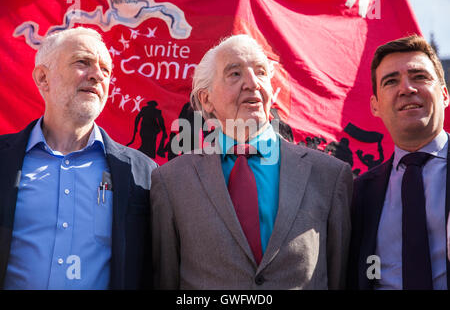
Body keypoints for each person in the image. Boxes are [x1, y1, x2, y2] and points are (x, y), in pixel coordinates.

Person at [150, 34, 353, 289]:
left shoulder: (329, 176)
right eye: (235, 74)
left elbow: (341, 279)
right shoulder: (171, 181)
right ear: (206, 100)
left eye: (261, 72)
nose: (252, 83)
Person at [0, 27, 157, 289]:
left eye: (106, 70)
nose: (97, 75)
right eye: (82, 62)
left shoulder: (141, 173)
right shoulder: (4, 160)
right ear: (43, 78)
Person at [348, 35, 450, 290]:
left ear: (445, 94)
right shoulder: (358, 193)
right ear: (375, 105)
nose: (406, 88)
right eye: (391, 81)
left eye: (419, 77)